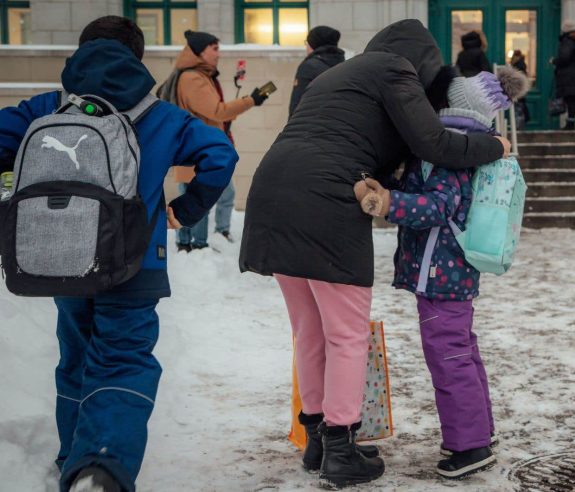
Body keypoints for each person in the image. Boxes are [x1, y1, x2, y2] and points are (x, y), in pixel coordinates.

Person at [239, 19, 510, 488]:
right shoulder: (396, 72)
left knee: (309, 330)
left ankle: (318, 441)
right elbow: (435, 142)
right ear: (422, 62)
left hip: (272, 190)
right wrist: (496, 146)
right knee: (346, 336)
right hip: (325, 200)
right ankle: (341, 449)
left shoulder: (337, 77)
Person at [0, 16, 238, 492]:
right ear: (138, 57)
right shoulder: (162, 115)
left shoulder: (47, 106)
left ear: (81, 52)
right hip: (135, 263)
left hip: (61, 257)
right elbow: (220, 155)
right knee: (124, 359)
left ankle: (72, 455)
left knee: (76, 356)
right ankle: (100, 465)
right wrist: (184, 209)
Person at [356, 68, 522, 480]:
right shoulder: (463, 150)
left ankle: (470, 447)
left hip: (441, 274)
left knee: (449, 358)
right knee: (462, 351)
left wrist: (390, 202)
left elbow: (435, 208)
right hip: (451, 273)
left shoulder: (447, 154)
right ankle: (478, 433)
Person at [173, 29, 268, 251]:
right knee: (196, 198)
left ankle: (191, 243)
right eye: (214, 49)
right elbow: (217, 111)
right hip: (197, 150)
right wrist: (250, 101)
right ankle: (195, 246)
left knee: (198, 195)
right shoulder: (192, 78)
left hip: (200, 149)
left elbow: (214, 114)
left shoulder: (200, 75)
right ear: (199, 51)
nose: (218, 54)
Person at [289, 25, 345, 117]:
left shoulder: (308, 67)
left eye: (307, 43)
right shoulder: (343, 66)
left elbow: (297, 105)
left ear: (313, 45)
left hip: (311, 126)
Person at [509, 49, 530, 128]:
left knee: (518, 107)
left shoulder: (518, 66)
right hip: (520, 89)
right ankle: (520, 123)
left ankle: (518, 124)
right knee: (520, 107)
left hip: (517, 90)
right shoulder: (522, 65)